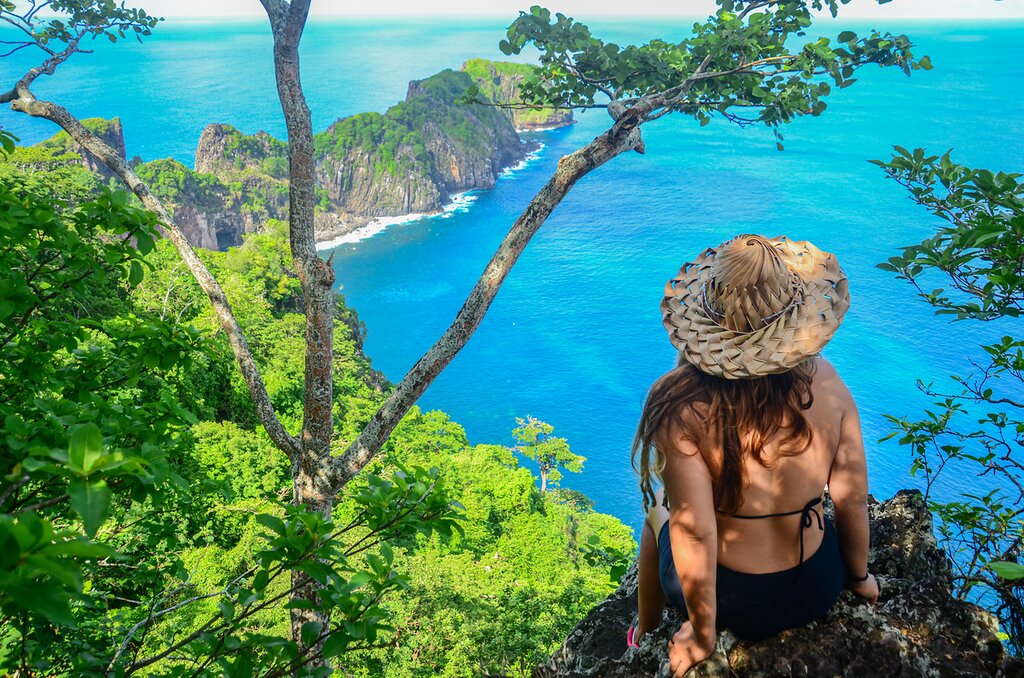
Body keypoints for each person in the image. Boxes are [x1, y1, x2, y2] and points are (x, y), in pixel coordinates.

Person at [628, 234, 879, 677]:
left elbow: (695, 532)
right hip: (816, 584)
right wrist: (858, 578)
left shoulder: (679, 406)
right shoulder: (827, 382)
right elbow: (851, 496)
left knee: (656, 518)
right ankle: (648, 627)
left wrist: (702, 635)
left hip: (733, 601)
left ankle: (646, 630)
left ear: (708, 326)